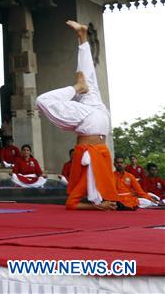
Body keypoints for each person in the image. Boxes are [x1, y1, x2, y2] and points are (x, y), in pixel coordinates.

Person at [36, 21, 118, 211]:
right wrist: (102, 205)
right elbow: (76, 204)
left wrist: (97, 207)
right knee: (87, 78)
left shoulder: (87, 172)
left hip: (91, 123)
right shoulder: (99, 174)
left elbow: (72, 203)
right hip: (94, 120)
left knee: (84, 80)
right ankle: (82, 38)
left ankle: (82, 37)